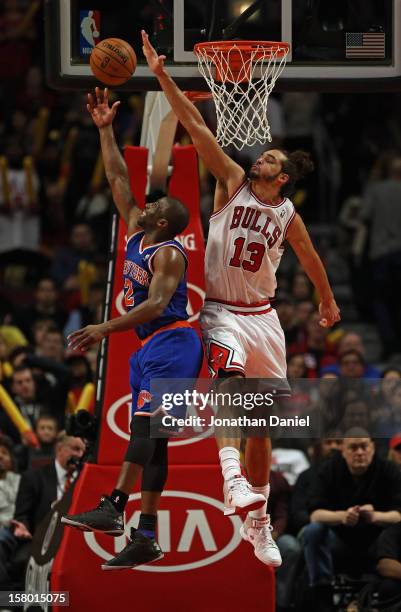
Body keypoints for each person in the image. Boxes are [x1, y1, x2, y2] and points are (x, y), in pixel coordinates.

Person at [141, 30, 340, 568]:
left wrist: (325, 300)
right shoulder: (230, 181)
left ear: (284, 176)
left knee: (262, 426)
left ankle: (258, 525)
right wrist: (162, 75)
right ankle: (232, 482)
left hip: (266, 318)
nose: (260, 156)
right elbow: (198, 127)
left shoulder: (287, 214)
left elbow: (312, 258)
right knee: (228, 385)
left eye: (271, 157)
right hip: (224, 311)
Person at [61, 87, 203, 570]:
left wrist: (105, 327)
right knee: (153, 438)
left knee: (143, 431)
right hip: (149, 348)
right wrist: (105, 130)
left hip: (173, 342)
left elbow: (159, 303)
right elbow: (118, 176)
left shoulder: (168, 252)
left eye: (153, 207)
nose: (143, 206)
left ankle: (114, 507)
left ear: (164, 221)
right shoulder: (137, 231)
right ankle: (144, 534)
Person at [303, 431, 401, 611]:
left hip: (379, 543)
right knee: (313, 531)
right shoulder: (328, 469)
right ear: (343, 450)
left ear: (372, 447)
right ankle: (321, 591)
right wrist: (342, 516)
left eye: (364, 446)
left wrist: (376, 516)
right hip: (339, 541)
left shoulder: (389, 469)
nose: (360, 452)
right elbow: (315, 515)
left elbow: (400, 515)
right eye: (353, 447)